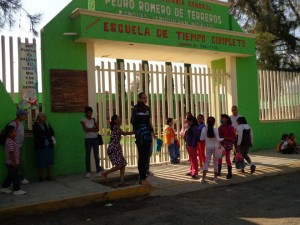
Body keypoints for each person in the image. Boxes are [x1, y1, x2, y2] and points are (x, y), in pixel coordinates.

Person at [101, 115, 134, 186]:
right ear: (115, 121)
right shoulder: (116, 127)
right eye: (119, 118)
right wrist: (133, 132)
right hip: (114, 148)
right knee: (119, 165)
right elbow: (124, 133)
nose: (121, 120)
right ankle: (104, 173)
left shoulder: (116, 127)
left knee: (123, 164)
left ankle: (122, 181)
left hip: (117, 148)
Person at [131, 92, 155, 185]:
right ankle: (142, 177)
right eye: (144, 98)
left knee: (143, 156)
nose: (145, 99)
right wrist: (150, 130)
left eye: (146, 97)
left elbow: (134, 123)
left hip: (140, 139)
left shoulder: (139, 114)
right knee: (143, 157)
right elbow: (149, 125)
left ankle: (143, 173)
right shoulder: (136, 109)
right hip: (145, 139)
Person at [0, 125, 26, 195]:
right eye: (14, 131)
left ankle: (4, 187)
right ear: (10, 133)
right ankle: (17, 189)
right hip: (11, 163)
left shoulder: (12, 140)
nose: (16, 132)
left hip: (12, 162)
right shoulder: (9, 142)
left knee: (10, 176)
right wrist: (14, 163)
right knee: (16, 176)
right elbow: (11, 153)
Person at [200, 117, 224, 183]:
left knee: (206, 162)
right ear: (214, 123)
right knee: (215, 162)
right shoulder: (216, 129)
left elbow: (201, 139)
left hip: (208, 147)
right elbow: (218, 139)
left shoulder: (204, 129)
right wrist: (224, 138)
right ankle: (215, 178)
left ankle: (203, 178)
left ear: (207, 122)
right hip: (216, 147)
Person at [81, 106, 102, 178]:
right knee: (87, 155)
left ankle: (98, 171)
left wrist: (91, 129)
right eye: (88, 112)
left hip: (95, 138)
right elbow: (85, 129)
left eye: (90, 112)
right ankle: (88, 171)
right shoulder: (83, 120)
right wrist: (93, 128)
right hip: (87, 139)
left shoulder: (94, 119)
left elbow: (98, 129)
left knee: (96, 155)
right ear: (86, 113)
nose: (89, 114)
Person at [9, 109, 29, 185]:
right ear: (20, 115)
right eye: (24, 115)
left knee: (18, 163)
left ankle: (15, 179)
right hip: (14, 147)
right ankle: (19, 179)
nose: (25, 116)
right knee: (16, 163)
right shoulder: (14, 123)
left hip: (19, 146)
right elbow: (10, 135)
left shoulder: (20, 123)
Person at [33, 113, 55, 181]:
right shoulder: (35, 126)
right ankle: (41, 177)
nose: (44, 119)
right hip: (40, 146)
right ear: (39, 118)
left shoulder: (47, 125)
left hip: (48, 145)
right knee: (40, 162)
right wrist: (45, 135)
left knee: (49, 161)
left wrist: (45, 135)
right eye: (43, 117)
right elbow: (38, 135)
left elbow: (52, 133)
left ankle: (48, 176)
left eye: (45, 117)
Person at [218, 114, 236, 179]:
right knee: (219, 158)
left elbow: (233, 138)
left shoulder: (231, 127)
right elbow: (218, 136)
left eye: (222, 118)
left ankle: (229, 173)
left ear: (227, 119)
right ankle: (218, 171)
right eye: (221, 118)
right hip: (221, 144)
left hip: (227, 145)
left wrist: (225, 138)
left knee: (227, 158)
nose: (221, 119)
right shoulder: (220, 127)